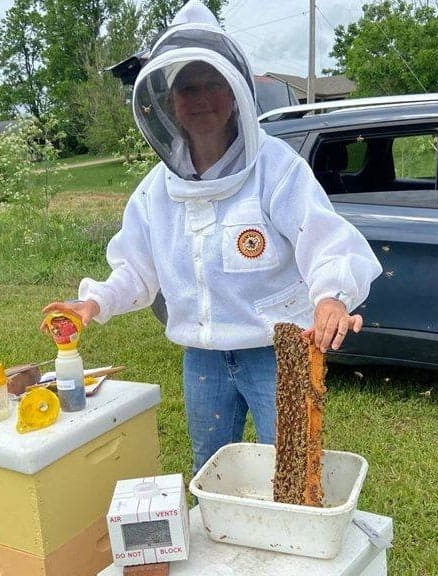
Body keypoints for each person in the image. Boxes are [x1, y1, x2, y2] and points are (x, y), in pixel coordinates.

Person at [42, 0, 383, 473]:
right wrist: (92, 303)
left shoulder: (277, 169)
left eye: (213, 85)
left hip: (280, 350)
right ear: (169, 103)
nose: (202, 99)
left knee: (294, 469)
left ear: (237, 93)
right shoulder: (155, 191)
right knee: (213, 468)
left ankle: (289, 545)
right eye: (188, 89)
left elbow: (324, 241)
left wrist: (331, 297)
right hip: (203, 359)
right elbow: (136, 271)